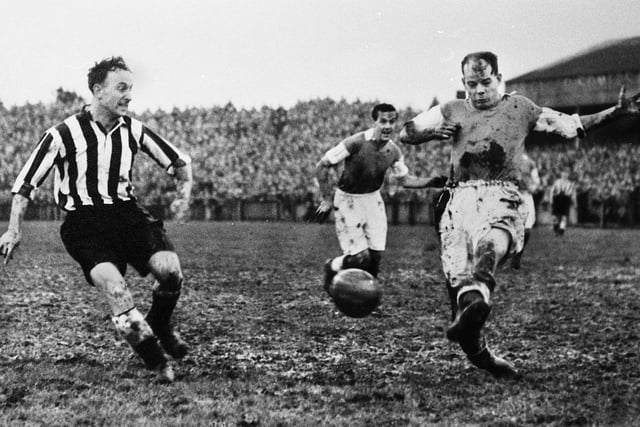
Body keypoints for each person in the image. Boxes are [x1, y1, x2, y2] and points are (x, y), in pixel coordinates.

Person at [399, 51, 639, 378]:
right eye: (472, 84)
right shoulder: (451, 110)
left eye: (486, 82)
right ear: (463, 83)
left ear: (500, 78)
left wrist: (615, 111)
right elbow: (407, 132)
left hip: (502, 193)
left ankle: (481, 286)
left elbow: (570, 125)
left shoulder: (520, 107)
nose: (480, 90)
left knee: (491, 244)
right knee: (460, 299)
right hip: (458, 201)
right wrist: (432, 133)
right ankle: (483, 353)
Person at [0, 57, 193, 383]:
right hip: (85, 224)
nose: (129, 95)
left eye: (131, 88)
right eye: (122, 88)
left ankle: (159, 322)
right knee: (115, 288)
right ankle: (157, 361)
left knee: (171, 271)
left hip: (128, 215)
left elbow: (179, 163)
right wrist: (12, 230)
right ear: (97, 90)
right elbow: (25, 185)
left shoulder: (134, 129)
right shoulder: (62, 134)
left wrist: (183, 194)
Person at [315, 103, 440, 295]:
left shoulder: (394, 151)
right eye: (383, 121)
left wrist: (432, 181)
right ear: (374, 122)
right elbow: (322, 165)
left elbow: (405, 180)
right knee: (359, 258)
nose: (388, 126)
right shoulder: (355, 143)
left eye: (391, 121)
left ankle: (366, 300)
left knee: (375, 258)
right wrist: (326, 199)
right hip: (348, 201)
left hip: (373, 200)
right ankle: (331, 265)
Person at [510, 153, 541, 269]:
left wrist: (532, 187)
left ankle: (518, 255)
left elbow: (536, 180)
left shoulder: (529, 162)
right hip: (510, 194)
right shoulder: (508, 158)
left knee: (527, 229)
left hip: (526, 196)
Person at [550, 170, 576, 236]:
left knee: (564, 217)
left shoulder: (570, 184)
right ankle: (556, 231)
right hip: (557, 199)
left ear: (568, 175)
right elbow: (552, 192)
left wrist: (574, 202)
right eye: (563, 174)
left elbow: (573, 194)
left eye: (566, 174)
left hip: (566, 200)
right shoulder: (557, 182)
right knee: (554, 217)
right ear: (561, 174)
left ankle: (561, 232)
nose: (564, 175)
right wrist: (551, 200)